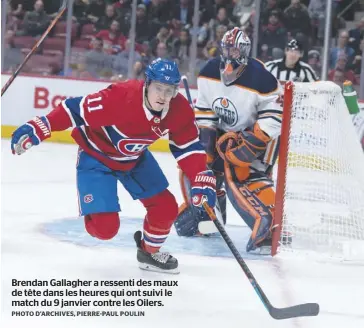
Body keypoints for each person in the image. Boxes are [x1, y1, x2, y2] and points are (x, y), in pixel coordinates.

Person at [10, 58, 216, 274]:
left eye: (169, 90)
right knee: (105, 229)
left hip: (134, 158)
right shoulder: (121, 97)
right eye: (158, 88)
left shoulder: (179, 110)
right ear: (147, 84)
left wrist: (200, 176)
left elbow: (188, 148)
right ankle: (94, 209)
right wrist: (42, 126)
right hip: (96, 156)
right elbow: (74, 110)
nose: (163, 96)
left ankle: (148, 253)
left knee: (166, 208)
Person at [174, 27, 283, 254]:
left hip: (261, 137)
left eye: (235, 49)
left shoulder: (262, 78)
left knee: (241, 174)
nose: (230, 53)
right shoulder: (209, 71)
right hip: (226, 134)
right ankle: (208, 218)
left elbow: (274, 117)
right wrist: (206, 147)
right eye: (227, 48)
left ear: (244, 51)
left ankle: (273, 226)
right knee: (195, 168)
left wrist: (252, 141)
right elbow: (205, 111)